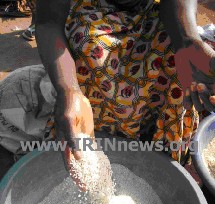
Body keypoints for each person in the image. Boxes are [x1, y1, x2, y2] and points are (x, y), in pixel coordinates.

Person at [0, 0, 215, 167]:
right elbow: (48, 21)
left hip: (152, 13)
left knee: (171, 47)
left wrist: (187, 40)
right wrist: (68, 88)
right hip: (91, 18)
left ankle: (156, 143)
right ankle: (96, 138)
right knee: (90, 43)